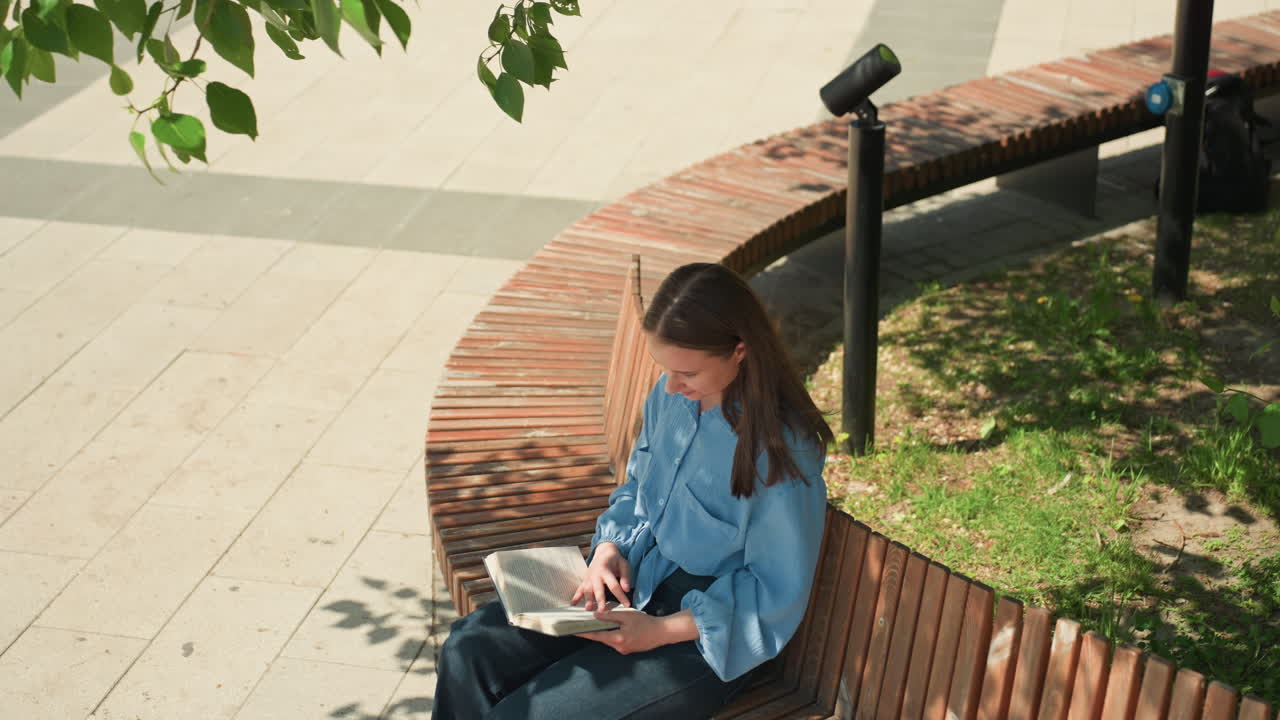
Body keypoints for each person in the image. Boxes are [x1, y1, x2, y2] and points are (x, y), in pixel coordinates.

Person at [433, 262, 834, 720]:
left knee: (525, 715)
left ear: (739, 351)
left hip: (705, 634)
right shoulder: (672, 397)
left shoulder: (782, 451)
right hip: (636, 579)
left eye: (687, 373)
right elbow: (640, 488)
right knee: (468, 651)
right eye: (663, 368)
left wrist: (659, 632)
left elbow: (773, 591)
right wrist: (609, 547)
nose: (670, 385)